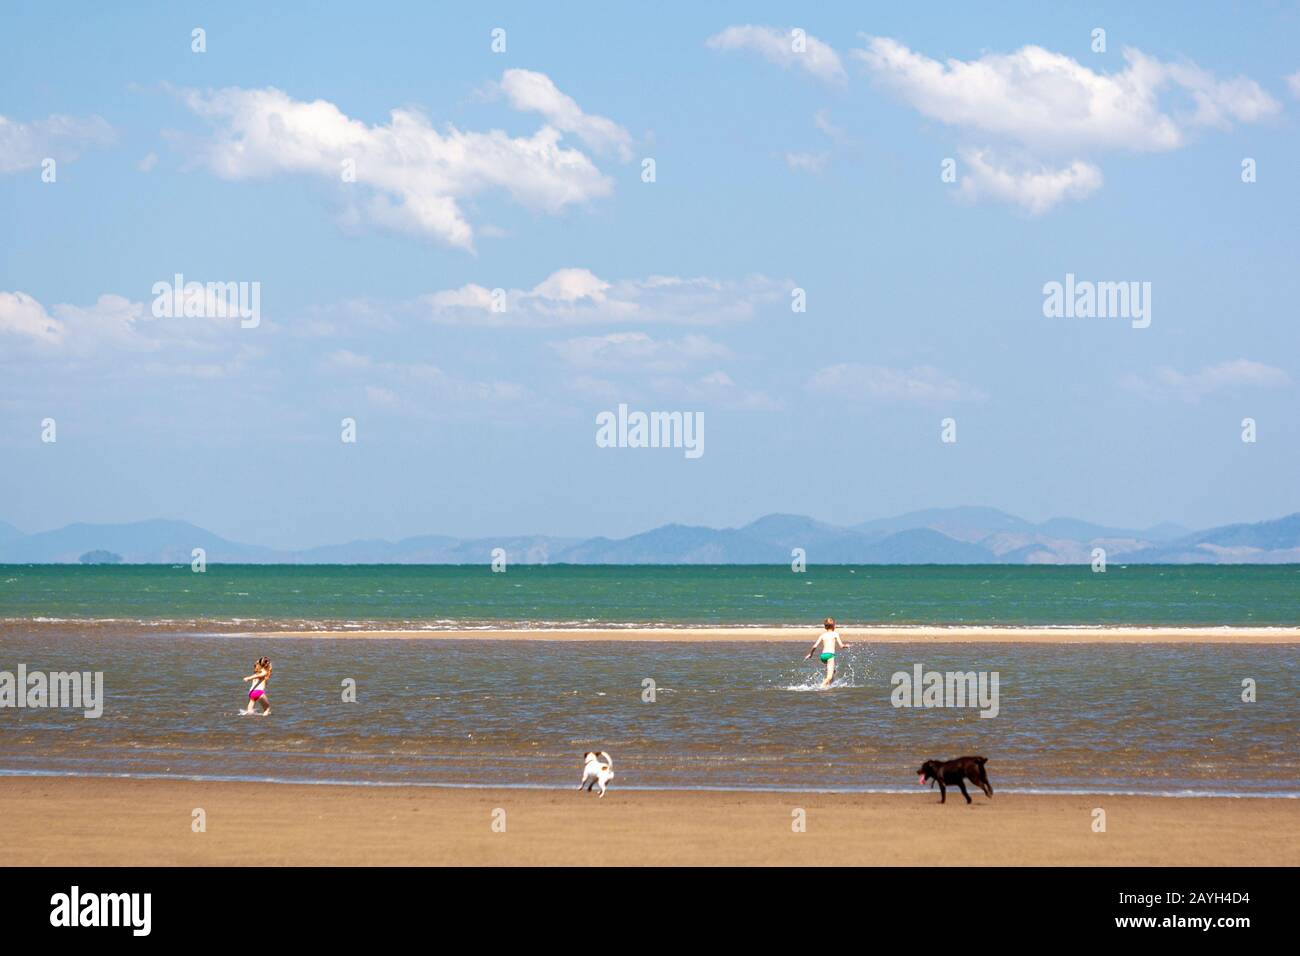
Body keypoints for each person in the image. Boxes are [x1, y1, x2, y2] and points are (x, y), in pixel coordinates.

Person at [804, 617, 845, 687]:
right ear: (833, 626)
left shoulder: (823, 635)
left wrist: (810, 654)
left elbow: (814, 646)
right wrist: (846, 645)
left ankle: (829, 685)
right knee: (829, 676)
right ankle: (821, 686)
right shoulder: (835, 634)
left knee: (833, 671)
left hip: (823, 656)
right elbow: (841, 645)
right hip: (830, 655)